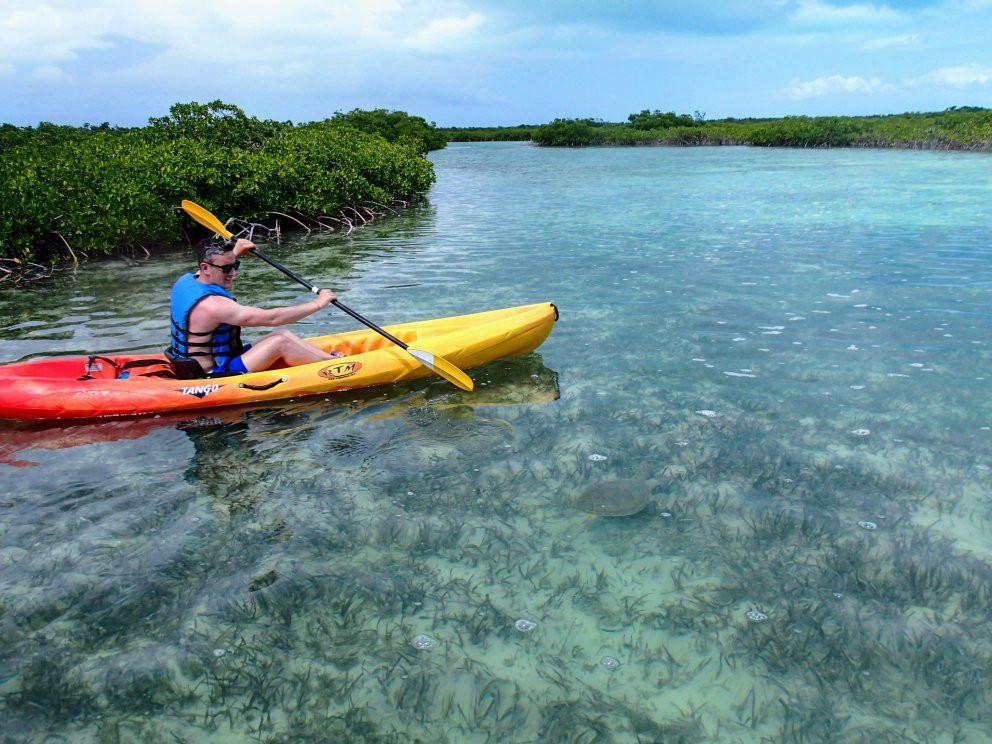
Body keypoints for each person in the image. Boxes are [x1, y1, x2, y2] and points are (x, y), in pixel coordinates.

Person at [168, 236, 342, 377]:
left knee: (283, 334)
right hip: (213, 373)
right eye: (227, 268)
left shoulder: (186, 281)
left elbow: (214, 265)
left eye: (235, 265)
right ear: (205, 268)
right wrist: (318, 303)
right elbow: (273, 318)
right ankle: (336, 371)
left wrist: (235, 252)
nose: (233, 273)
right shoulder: (214, 305)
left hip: (197, 363)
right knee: (280, 342)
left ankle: (331, 361)